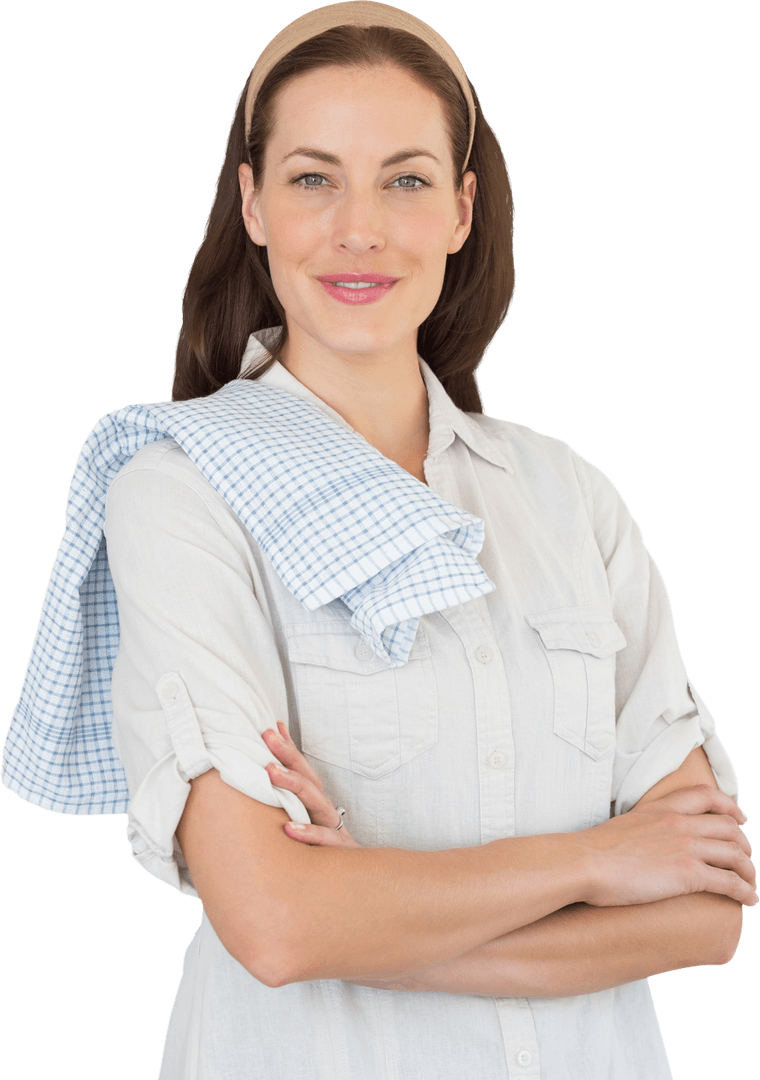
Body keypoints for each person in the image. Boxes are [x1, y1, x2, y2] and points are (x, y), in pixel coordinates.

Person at [3, 4, 755, 1079]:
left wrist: (375, 926)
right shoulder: (179, 488)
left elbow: (705, 915)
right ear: (252, 204)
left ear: (459, 210)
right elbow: (275, 925)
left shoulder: (566, 495)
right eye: (314, 178)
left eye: (404, 179)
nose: (360, 227)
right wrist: (599, 858)